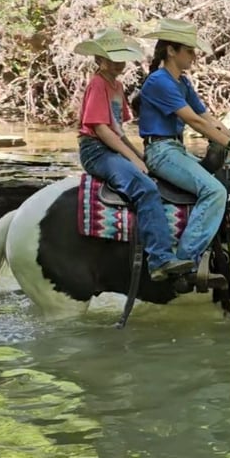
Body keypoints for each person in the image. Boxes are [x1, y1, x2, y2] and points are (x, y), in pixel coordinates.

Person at [138, 17, 230, 278]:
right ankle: (185, 261)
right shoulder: (159, 81)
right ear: (172, 50)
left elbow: (208, 118)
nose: (194, 56)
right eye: (189, 50)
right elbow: (191, 119)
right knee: (214, 191)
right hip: (161, 151)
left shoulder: (182, 82)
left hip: (176, 149)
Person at [74, 28, 195, 282]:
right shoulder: (98, 84)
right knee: (145, 188)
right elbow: (100, 129)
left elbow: (119, 130)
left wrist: (139, 154)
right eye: (112, 57)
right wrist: (133, 159)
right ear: (99, 60)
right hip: (96, 150)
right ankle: (160, 259)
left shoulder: (116, 85)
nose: (118, 63)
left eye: (121, 57)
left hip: (110, 145)